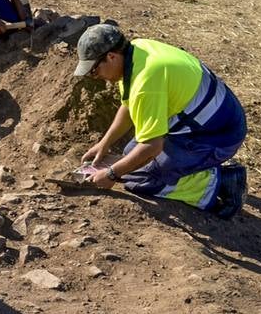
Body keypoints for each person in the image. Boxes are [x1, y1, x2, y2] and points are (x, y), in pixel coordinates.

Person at [73, 23, 247, 218]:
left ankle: (222, 182)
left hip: (218, 135)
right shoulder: (136, 51)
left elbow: (152, 147)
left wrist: (112, 174)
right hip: (208, 120)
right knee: (130, 155)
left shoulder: (146, 81)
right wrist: (104, 144)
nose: (95, 77)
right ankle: (193, 168)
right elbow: (129, 106)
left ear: (111, 57)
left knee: (138, 179)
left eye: (94, 71)